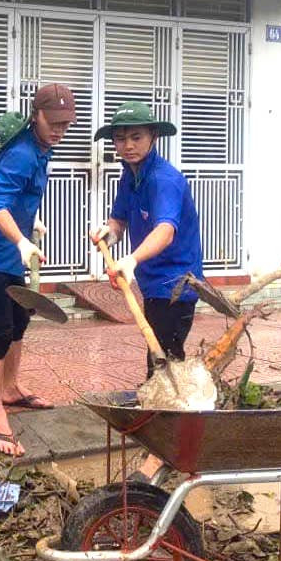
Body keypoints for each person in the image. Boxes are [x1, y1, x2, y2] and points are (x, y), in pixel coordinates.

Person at [89, 102, 202, 483]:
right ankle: (166, 440)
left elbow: (166, 230)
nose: (128, 145)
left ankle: (164, 454)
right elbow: (121, 217)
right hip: (154, 285)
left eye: (136, 137)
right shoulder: (130, 175)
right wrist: (111, 232)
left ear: (152, 138)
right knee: (158, 365)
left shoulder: (163, 179)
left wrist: (131, 260)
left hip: (177, 287)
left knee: (164, 363)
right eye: (121, 139)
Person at [0, 84, 74, 457]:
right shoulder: (23, 154)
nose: (59, 130)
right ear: (35, 115)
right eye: (53, 122)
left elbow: (16, 196)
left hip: (9, 255)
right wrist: (21, 241)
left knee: (19, 323)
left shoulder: (43, 151)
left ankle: (10, 389)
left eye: (65, 124)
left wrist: (33, 222)